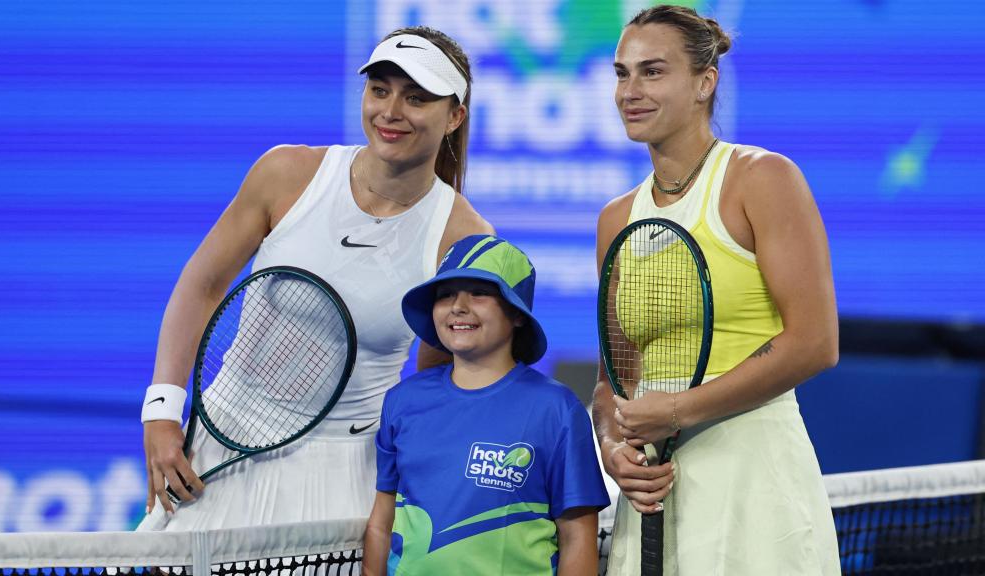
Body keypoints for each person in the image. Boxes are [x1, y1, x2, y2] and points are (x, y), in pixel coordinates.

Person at [138, 26, 493, 531]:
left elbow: (434, 382)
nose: (391, 111)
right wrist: (161, 410)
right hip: (218, 442)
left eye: (416, 98)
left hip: (345, 474)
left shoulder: (464, 238)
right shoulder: (286, 173)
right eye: (380, 90)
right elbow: (203, 285)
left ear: (455, 116)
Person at [592, 5, 841, 574]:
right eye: (622, 73)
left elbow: (815, 342)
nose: (630, 91)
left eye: (653, 71)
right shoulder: (615, 220)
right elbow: (613, 379)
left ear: (705, 83)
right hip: (653, 494)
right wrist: (613, 448)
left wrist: (678, 410)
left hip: (754, 484)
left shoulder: (763, 178)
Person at [363, 235, 610, 575]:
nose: (458, 306)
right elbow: (381, 522)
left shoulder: (557, 409)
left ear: (518, 314)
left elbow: (577, 535)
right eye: (445, 294)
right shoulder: (403, 400)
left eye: (479, 293)